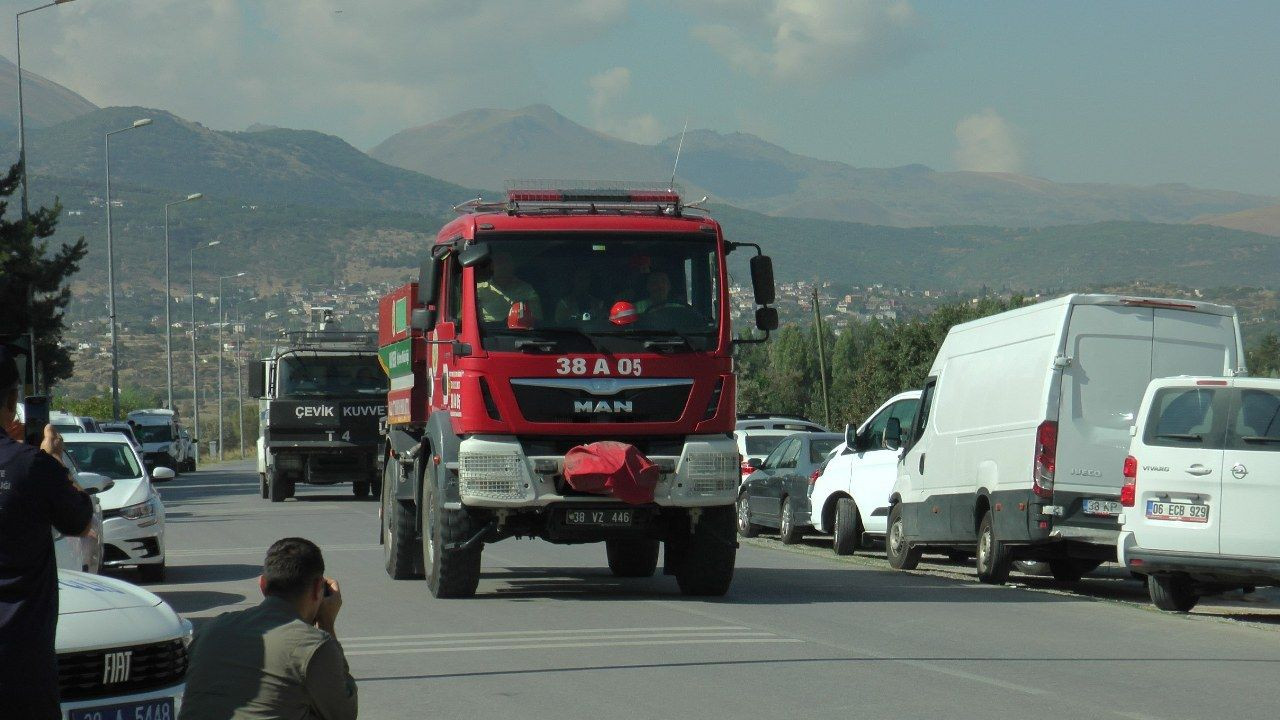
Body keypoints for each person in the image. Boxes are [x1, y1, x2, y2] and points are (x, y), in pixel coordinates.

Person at [0, 346, 94, 719]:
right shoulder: (31, 467)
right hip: (21, 667)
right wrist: (55, 457)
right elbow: (80, 520)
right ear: (12, 399)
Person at [180, 537, 357, 720]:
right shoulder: (314, 646)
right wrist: (327, 624)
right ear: (318, 588)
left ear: (263, 585)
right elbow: (343, 714)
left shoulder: (210, 630)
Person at [476, 250, 541, 324]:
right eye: (499, 262)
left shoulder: (526, 289)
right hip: (487, 332)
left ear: (512, 265)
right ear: (492, 266)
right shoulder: (478, 289)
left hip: (518, 332)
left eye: (506, 262)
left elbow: (537, 319)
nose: (503, 266)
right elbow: (463, 317)